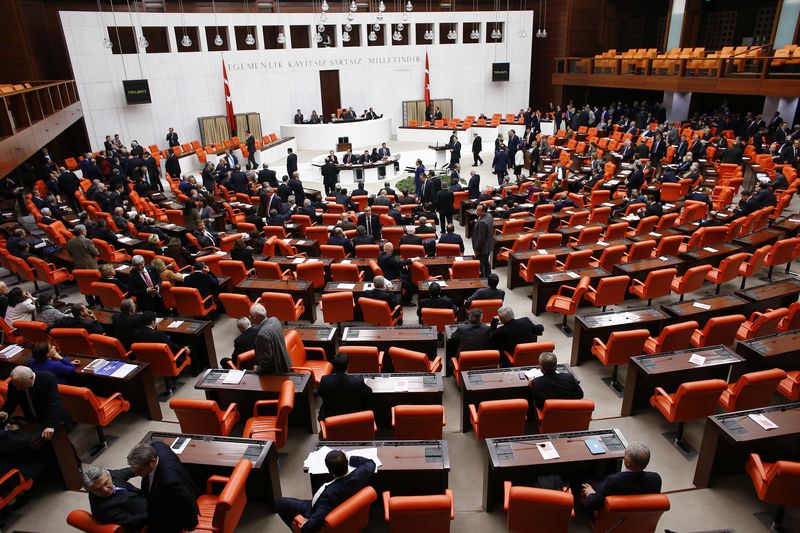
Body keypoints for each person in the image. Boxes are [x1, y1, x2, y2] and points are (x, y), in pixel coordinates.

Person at [275, 450, 375, 532]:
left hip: (312, 509)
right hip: (345, 506)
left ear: (329, 471)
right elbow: (371, 463)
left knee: (279, 503)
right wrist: (349, 458)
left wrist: (303, 526)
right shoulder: (361, 474)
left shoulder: (329, 496)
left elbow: (311, 526)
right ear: (346, 462)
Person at [127, 443, 199, 533]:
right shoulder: (157, 446)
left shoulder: (169, 481)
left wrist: (191, 525)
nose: (136, 474)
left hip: (172, 517)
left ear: (153, 462)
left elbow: (185, 500)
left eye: (140, 470)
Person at [581, 442, 662, 513]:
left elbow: (593, 504)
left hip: (611, 520)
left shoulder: (613, 481)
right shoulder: (655, 479)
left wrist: (590, 493)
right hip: (640, 520)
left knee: (589, 479)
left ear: (628, 462)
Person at [0, 366, 67, 441]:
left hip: (49, 417)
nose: (17, 388)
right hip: (31, 419)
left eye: (20, 385)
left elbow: (53, 402)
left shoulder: (48, 378)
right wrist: (5, 412)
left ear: (31, 378)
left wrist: (51, 425)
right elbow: (11, 402)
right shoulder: (14, 384)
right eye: (16, 385)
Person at [84, 465, 148, 531]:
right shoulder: (103, 510)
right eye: (98, 489)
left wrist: (144, 467)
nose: (105, 490)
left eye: (106, 483)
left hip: (145, 496)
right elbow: (132, 521)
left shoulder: (107, 475)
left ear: (109, 476)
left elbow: (127, 472)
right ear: (90, 491)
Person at [317, 353, 373, 420]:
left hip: (331, 419)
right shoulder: (357, 381)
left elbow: (320, 394)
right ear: (347, 365)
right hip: (355, 418)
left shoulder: (325, 380)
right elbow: (369, 392)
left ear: (333, 366)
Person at [251, 303, 292, 374]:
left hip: (276, 371)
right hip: (285, 361)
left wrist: (258, 369)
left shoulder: (262, 335)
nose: (249, 317)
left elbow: (266, 359)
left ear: (254, 318)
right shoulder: (275, 320)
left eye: (250, 316)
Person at [471, 203, 494, 277]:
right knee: (486, 263)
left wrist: (476, 249)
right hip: (488, 245)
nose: (476, 212)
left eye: (478, 210)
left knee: (481, 266)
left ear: (483, 211)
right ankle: (489, 277)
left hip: (482, 248)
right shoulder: (489, 216)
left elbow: (481, 238)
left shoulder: (482, 223)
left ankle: (483, 281)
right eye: (476, 209)